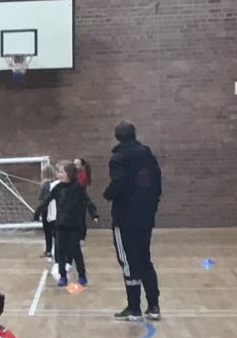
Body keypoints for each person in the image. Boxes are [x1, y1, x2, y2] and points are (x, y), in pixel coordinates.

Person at [106, 122, 162, 323]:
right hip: (145, 216)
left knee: (128, 261)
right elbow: (157, 184)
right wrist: (151, 208)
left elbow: (120, 184)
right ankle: (154, 305)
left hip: (125, 216)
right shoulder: (148, 155)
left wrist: (108, 194)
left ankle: (134, 307)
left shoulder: (119, 158)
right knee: (144, 258)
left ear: (117, 137)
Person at [50, 163, 97, 291]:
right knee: (60, 251)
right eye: (58, 172)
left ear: (69, 174)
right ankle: (63, 276)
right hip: (60, 224)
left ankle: (82, 275)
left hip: (74, 224)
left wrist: (93, 213)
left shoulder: (78, 186)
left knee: (75, 250)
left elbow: (87, 200)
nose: (58, 174)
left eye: (61, 172)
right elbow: (47, 199)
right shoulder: (57, 188)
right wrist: (38, 211)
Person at [35, 163, 60, 260]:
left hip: (48, 211)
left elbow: (42, 199)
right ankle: (56, 251)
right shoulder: (57, 183)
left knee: (48, 232)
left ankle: (49, 251)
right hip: (57, 210)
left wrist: (37, 213)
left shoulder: (45, 185)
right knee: (56, 232)